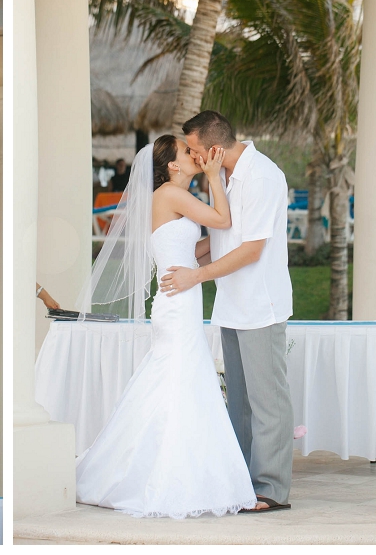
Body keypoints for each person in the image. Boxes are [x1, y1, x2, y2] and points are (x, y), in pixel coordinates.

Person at [74, 135, 257, 519]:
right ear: (172, 165)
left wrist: (210, 261)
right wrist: (213, 177)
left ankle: (184, 473)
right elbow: (222, 220)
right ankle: (167, 477)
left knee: (179, 381)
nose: (194, 154)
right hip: (176, 304)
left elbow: (196, 251)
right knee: (178, 380)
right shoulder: (170, 194)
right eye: (186, 152)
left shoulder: (173, 199)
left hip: (182, 299)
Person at [161, 110, 294, 513]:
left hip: (260, 303)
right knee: (238, 400)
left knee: (267, 400)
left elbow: (252, 249)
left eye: (196, 150)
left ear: (214, 149)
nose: (194, 157)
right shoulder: (224, 179)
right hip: (232, 303)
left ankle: (271, 489)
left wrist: (195, 276)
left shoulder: (261, 177)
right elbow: (221, 236)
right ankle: (241, 482)